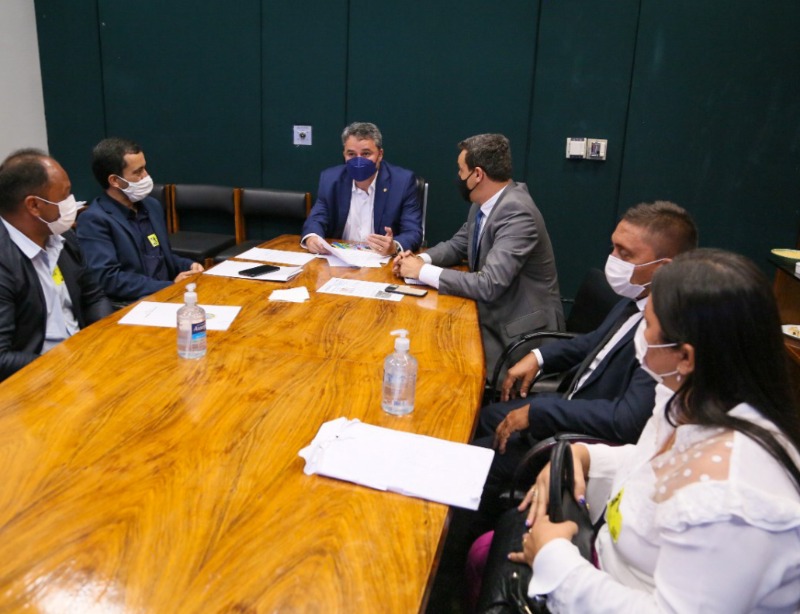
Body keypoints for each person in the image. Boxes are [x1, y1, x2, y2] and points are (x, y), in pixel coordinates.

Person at [510, 249, 800, 612]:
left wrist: (555, 559)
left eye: (647, 325)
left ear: (686, 357)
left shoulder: (731, 504)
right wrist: (583, 454)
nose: (641, 335)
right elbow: (657, 465)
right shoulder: (685, 397)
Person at [476, 202, 698, 491]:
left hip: (585, 439)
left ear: (663, 268)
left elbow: (625, 421)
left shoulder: (665, 336)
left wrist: (539, 412)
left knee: (476, 461)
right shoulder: (634, 300)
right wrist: (539, 356)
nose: (613, 259)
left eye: (625, 254)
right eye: (613, 247)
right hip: (570, 404)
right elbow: (594, 342)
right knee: (483, 418)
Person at [394, 133, 563, 376]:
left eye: (461, 170)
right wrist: (420, 260)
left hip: (519, 337)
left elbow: (488, 285)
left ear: (477, 174)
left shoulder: (517, 212)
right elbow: (458, 245)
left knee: (440, 362)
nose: (458, 176)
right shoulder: (483, 203)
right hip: (491, 316)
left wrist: (421, 272)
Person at [0, 149, 112, 381]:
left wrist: (102, 339)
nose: (72, 203)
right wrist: (67, 362)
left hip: (83, 360)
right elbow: (2, 358)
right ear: (34, 205)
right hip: (37, 379)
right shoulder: (4, 263)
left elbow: (94, 297)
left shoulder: (62, 238)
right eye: (65, 195)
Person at [76, 138, 203, 306]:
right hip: (135, 304)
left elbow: (160, 257)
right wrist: (168, 286)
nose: (146, 176)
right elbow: (108, 278)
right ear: (115, 181)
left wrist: (189, 265)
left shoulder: (152, 206)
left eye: (145, 168)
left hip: (170, 295)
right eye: (138, 172)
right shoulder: (95, 220)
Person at [301, 121, 422, 256]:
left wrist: (394, 246)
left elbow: (413, 232)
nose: (358, 161)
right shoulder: (330, 179)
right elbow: (317, 218)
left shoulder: (402, 182)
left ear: (380, 154)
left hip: (382, 260)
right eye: (351, 154)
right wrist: (312, 238)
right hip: (340, 259)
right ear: (344, 154)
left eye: (366, 154)